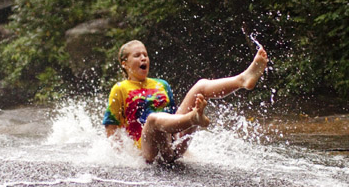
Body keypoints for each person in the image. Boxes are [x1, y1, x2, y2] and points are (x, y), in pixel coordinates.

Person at [104, 40, 268, 165]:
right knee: (153, 119)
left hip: (171, 146)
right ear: (124, 64)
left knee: (201, 85)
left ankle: (243, 79)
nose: (143, 58)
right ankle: (194, 117)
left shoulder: (162, 85)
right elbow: (112, 129)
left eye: (145, 55)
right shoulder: (120, 89)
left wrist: (187, 152)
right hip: (149, 154)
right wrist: (123, 159)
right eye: (137, 55)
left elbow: (173, 118)